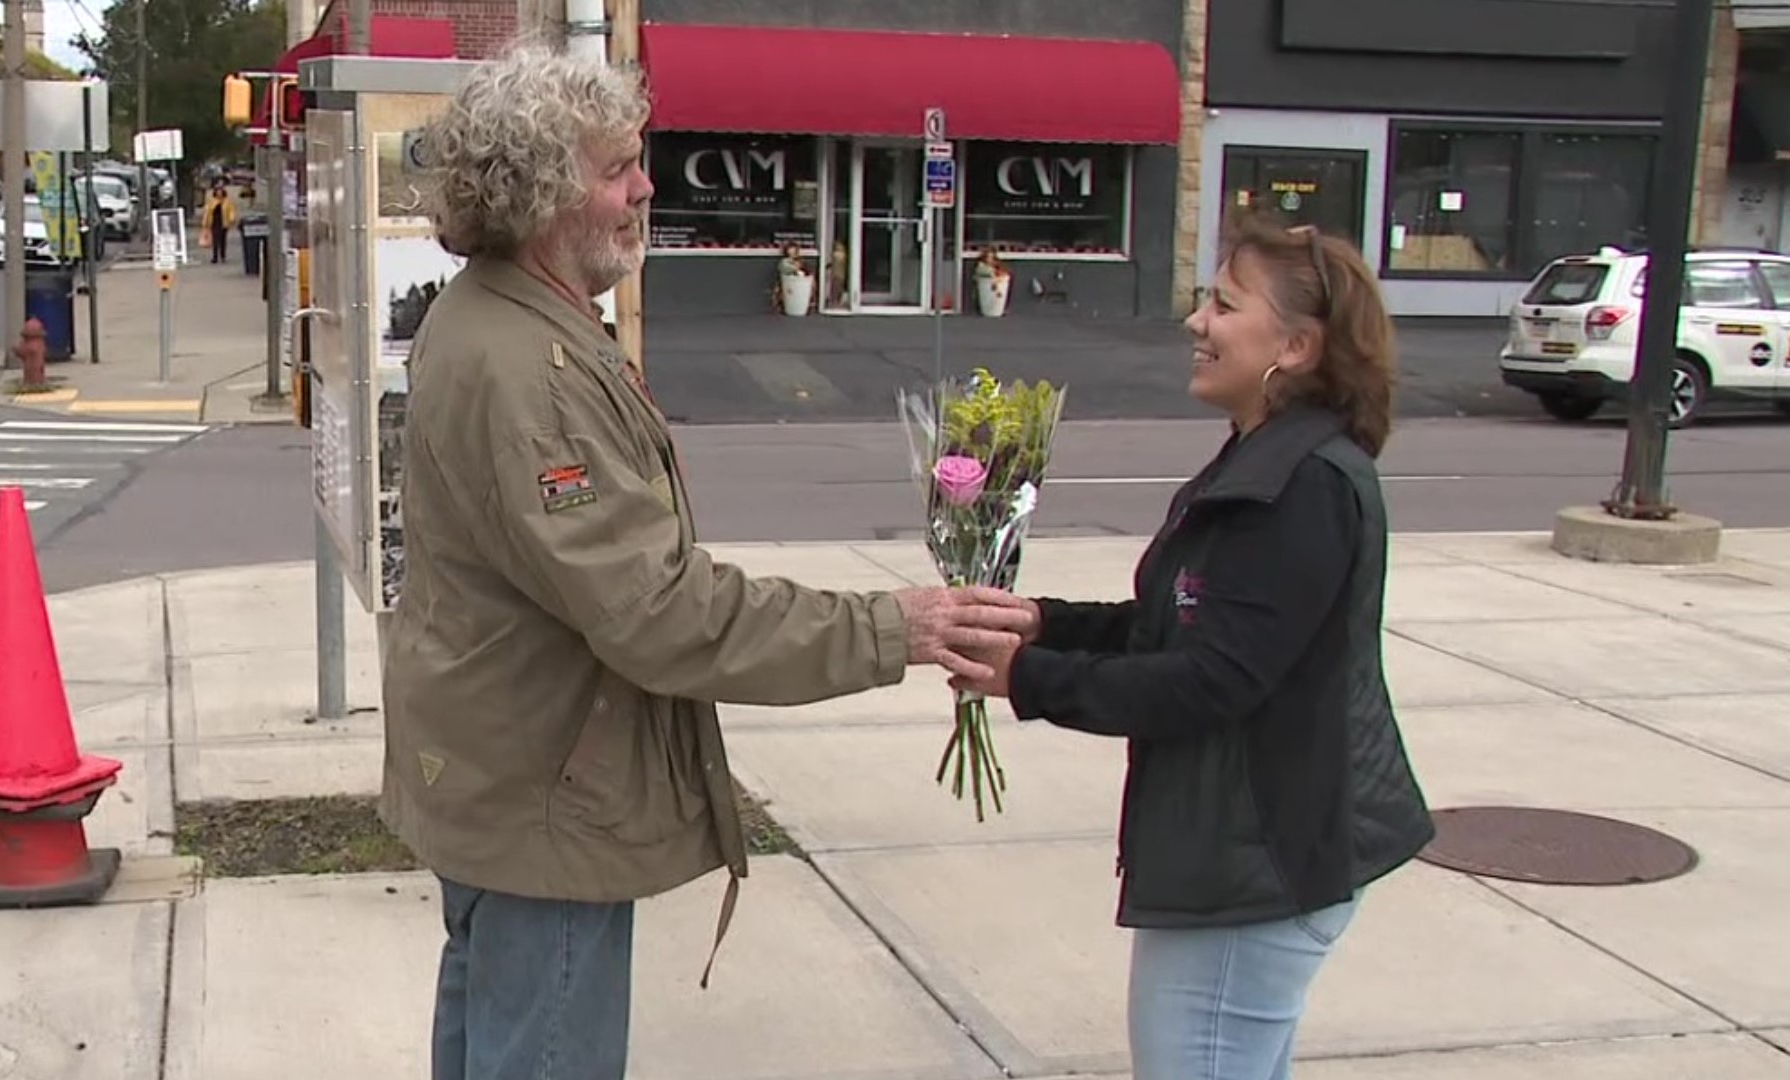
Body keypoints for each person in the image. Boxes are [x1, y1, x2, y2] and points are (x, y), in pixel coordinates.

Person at [377, 40, 1027, 1080]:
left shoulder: (505, 315)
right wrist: (895, 628)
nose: (645, 185)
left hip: (510, 781)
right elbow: (661, 613)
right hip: (548, 799)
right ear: (545, 191)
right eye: (616, 167)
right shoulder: (526, 366)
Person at [950, 218, 1435, 1080]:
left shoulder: (1301, 487)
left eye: (1222, 303)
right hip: (1243, 866)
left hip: (1257, 874)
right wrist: (1042, 622)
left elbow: (1213, 680)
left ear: (1296, 344)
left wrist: (1029, 680)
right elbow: (1179, 620)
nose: (1195, 322)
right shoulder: (1262, 460)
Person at [202, 185, 236, 263]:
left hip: (224, 222)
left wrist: (232, 218)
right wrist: (205, 222)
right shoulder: (212, 201)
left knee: (223, 240)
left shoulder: (227, 202)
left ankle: (223, 256)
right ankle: (215, 257)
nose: (219, 193)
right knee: (215, 240)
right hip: (214, 222)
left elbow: (231, 211)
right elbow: (207, 212)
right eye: (217, 191)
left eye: (220, 191)